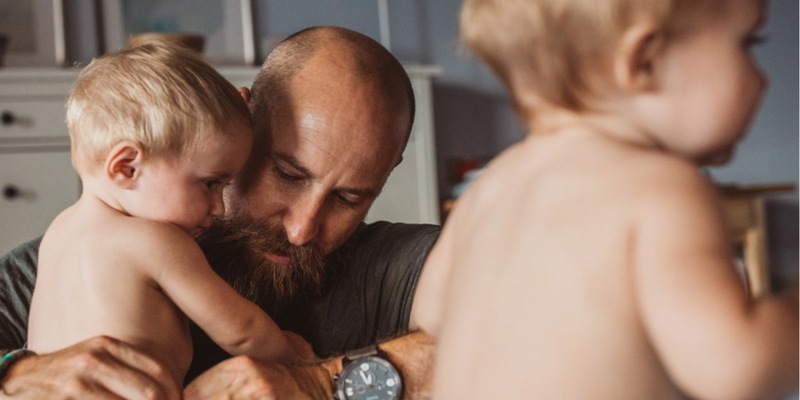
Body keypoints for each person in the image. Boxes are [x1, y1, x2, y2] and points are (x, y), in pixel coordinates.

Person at [0, 27, 441, 399]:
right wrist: (12, 373)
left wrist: (317, 384)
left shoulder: (391, 265)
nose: (302, 228)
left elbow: (508, 322)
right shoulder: (43, 270)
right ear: (241, 119)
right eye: (287, 174)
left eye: (348, 199)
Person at [416, 0, 799, 399]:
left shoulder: (488, 187)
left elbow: (430, 312)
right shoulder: (660, 186)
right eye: (748, 43)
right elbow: (737, 370)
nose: (763, 80)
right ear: (644, 61)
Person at [27, 43, 314, 390]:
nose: (219, 207)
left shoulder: (58, 235)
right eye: (210, 183)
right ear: (127, 167)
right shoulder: (156, 241)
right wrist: (293, 352)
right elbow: (242, 332)